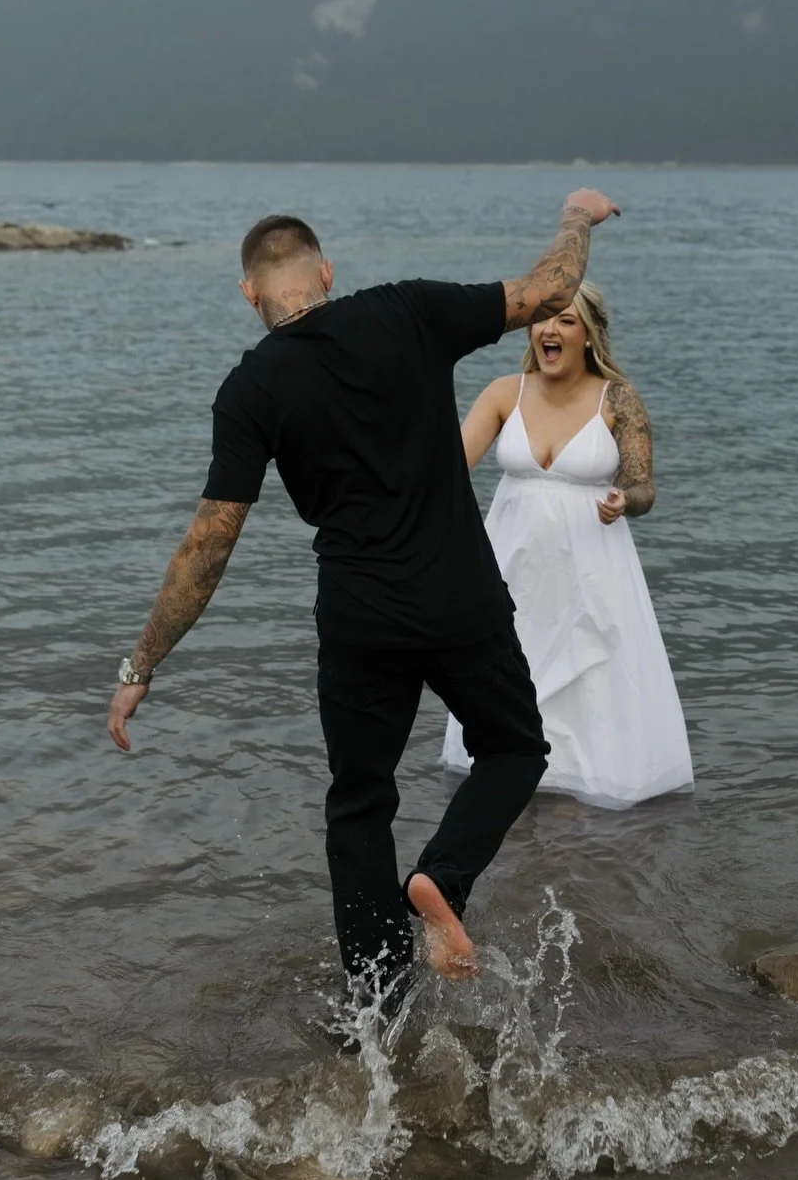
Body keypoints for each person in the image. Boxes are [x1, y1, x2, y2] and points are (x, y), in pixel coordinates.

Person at [106, 190, 621, 998]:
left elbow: (208, 544)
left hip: (358, 617)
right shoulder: (406, 311)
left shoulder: (250, 387)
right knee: (516, 745)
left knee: (359, 805)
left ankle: (377, 1008)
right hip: (460, 598)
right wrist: (577, 219)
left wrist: (142, 662)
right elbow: (550, 291)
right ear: (326, 272)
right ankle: (444, 879)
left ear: (251, 293)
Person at [441, 282, 692, 808]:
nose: (549, 330)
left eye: (566, 321)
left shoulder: (617, 397)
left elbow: (644, 486)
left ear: (588, 335)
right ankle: (506, 795)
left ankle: (589, 797)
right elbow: (444, 472)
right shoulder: (503, 393)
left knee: (593, 678)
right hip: (512, 566)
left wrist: (626, 500)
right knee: (510, 668)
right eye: (543, 318)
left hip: (592, 566)